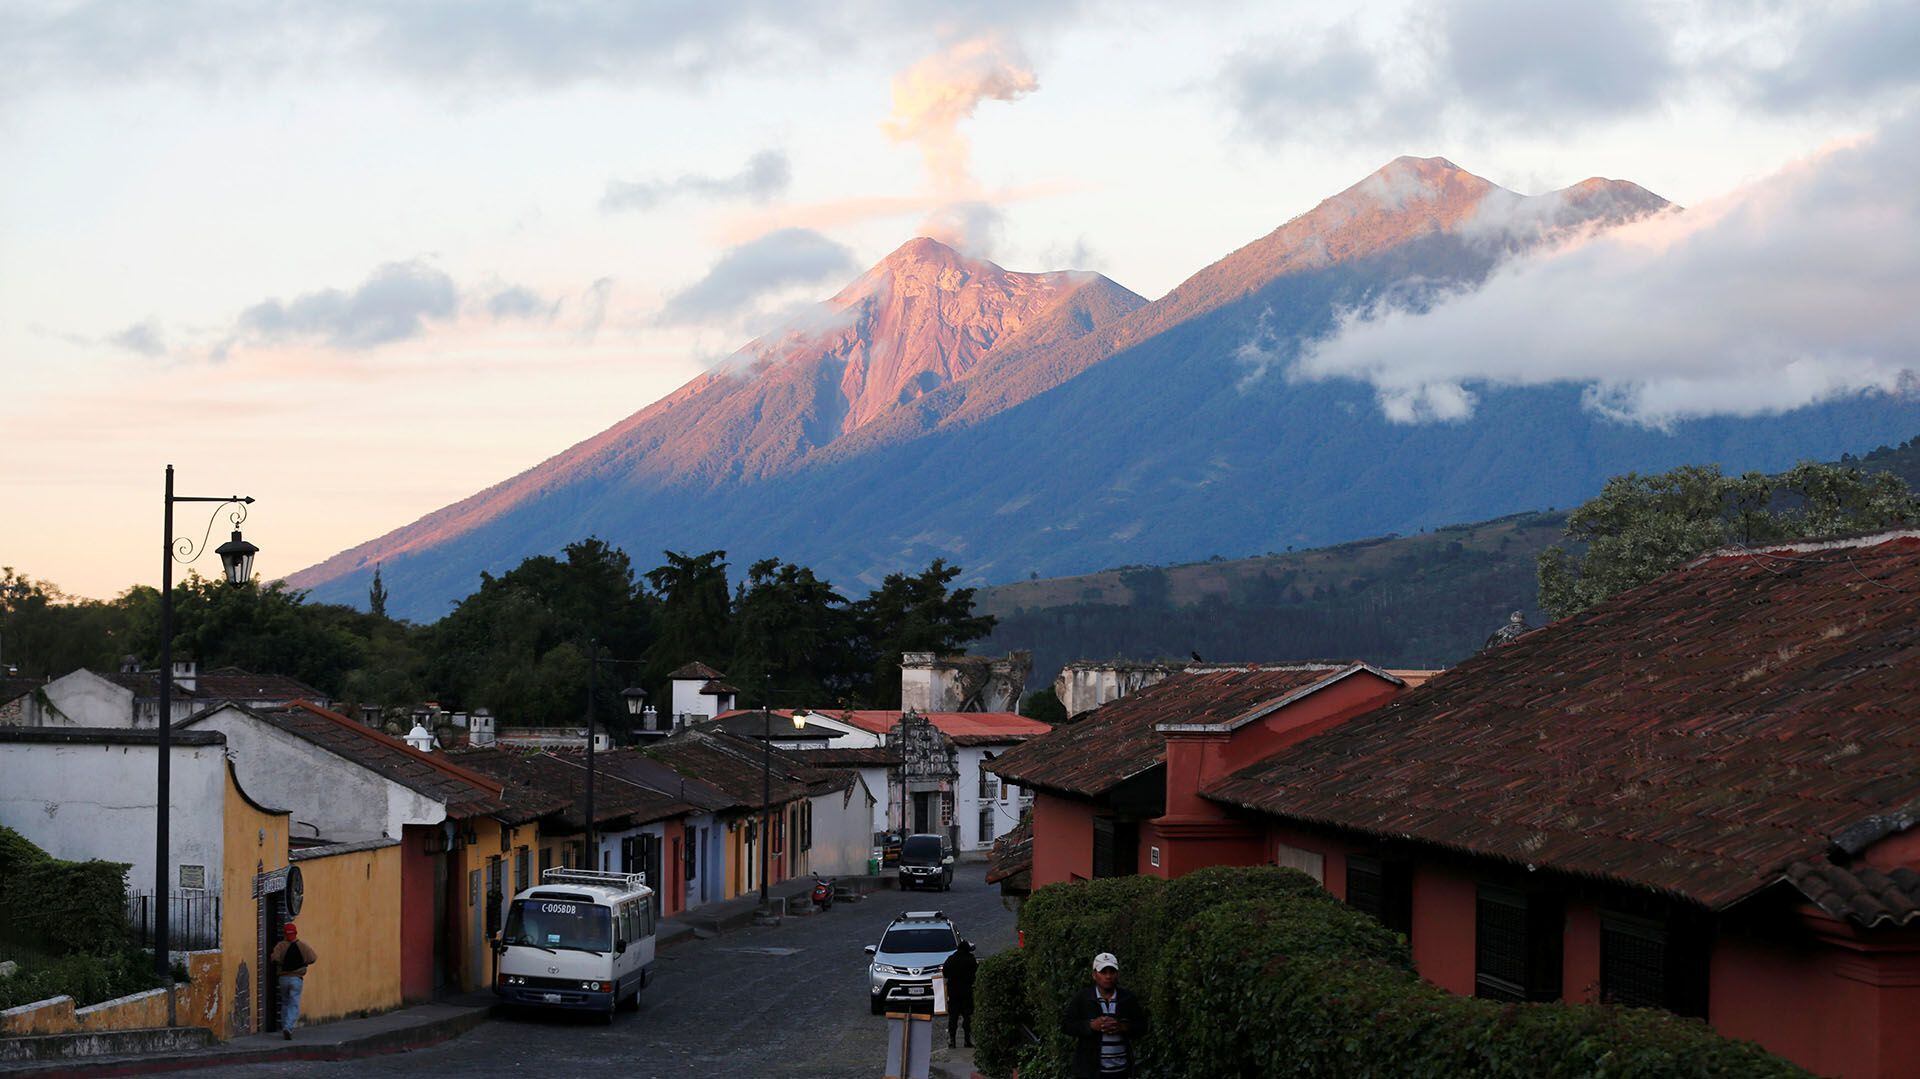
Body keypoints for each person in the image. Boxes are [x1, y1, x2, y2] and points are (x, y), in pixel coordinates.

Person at [1060, 951, 1148, 1078]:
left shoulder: (1127, 998)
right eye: (1103, 972)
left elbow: (1142, 1026)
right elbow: (1066, 1025)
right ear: (1094, 975)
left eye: (1112, 972)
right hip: (1091, 1072)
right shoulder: (1083, 998)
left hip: (1121, 1070)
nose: (1108, 976)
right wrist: (1090, 1026)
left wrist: (1123, 1027)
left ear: (1117, 974)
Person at [269, 922, 318, 1039]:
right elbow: (313, 958)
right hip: (296, 978)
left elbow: (274, 958)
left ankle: (284, 1025)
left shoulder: (280, 946)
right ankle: (288, 1026)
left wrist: (282, 963)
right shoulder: (302, 946)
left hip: (283, 978)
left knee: (285, 1002)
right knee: (294, 1004)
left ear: (284, 934)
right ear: (295, 933)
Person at [943, 939, 978, 1048]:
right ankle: (967, 1040)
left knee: (953, 1017)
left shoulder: (951, 959)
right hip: (967, 992)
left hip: (953, 993)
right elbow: (976, 972)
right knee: (967, 1017)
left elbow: (945, 973)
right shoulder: (971, 959)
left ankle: (952, 1040)